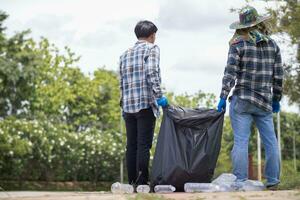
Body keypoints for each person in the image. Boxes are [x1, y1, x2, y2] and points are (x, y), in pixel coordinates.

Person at [217, 6, 283, 189]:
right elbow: (278, 76)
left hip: (242, 100)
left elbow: (230, 73)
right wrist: (276, 98)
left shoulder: (238, 44)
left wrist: (223, 96)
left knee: (241, 141)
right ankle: (273, 181)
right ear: (258, 22)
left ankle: (240, 181)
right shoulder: (273, 45)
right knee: (271, 142)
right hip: (264, 102)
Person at [119, 20, 168, 187]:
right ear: (152, 35)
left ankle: (132, 182)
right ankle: (143, 183)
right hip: (145, 104)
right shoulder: (152, 49)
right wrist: (160, 96)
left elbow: (121, 81)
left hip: (127, 106)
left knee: (131, 145)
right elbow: (152, 72)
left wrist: (122, 103)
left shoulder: (125, 54)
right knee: (143, 145)